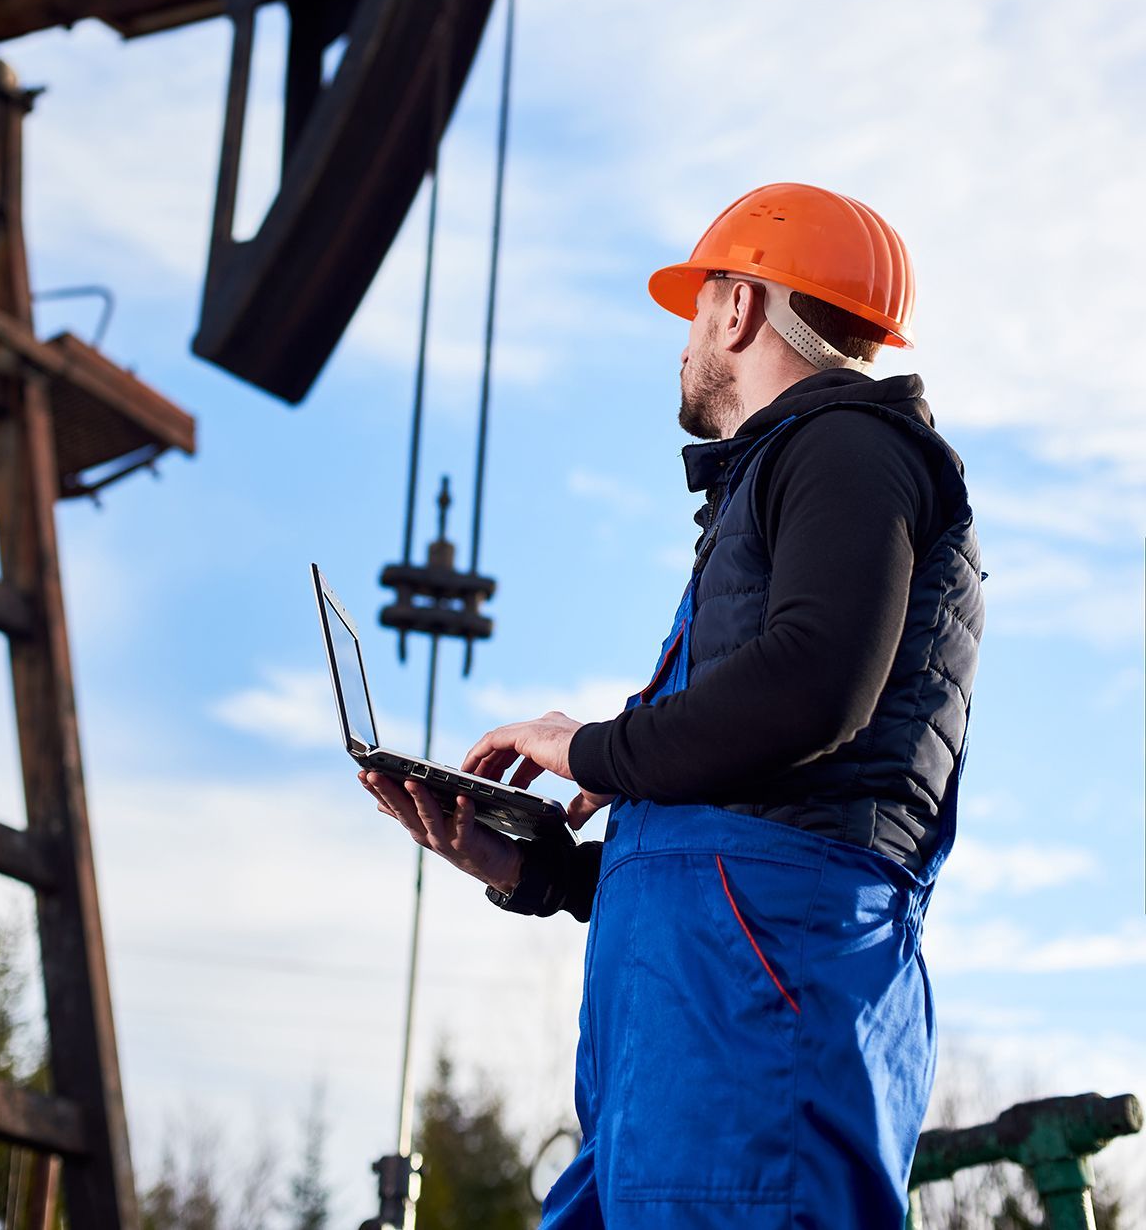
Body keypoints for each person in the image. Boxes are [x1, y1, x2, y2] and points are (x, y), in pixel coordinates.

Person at [361, 182, 984, 1229]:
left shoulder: (849, 449)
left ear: (741, 308)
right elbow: (741, 823)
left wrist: (589, 748)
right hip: (689, 1017)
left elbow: (813, 688)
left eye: (699, 305)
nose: (687, 335)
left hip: (757, 1004)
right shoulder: (792, 475)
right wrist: (542, 870)